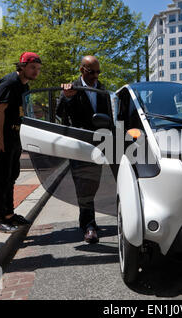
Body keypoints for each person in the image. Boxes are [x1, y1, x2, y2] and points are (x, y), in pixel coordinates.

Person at [0, 52, 42, 233]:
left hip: (12, 136)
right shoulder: (9, 83)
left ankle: (9, 215)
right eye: (32, 67)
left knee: (11, 176)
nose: (36, 71)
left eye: (38, 68)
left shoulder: (24, 86)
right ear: (21, 67)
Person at [56, 56, 112, 244]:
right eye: (91, 72)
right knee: (83, 184)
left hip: (98, 145)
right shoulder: (70, 89)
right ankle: (89, 226)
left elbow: (109, 117)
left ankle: (86, 220)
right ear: (81, 70)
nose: (95, 76)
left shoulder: (102, 89)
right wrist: (67, 98)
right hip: (78, 145)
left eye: (98, 72)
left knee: (92, 184)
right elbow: (59, 115)